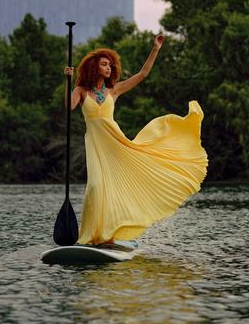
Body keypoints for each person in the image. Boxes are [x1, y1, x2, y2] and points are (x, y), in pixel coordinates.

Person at [64, 34, 207, 246]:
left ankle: (107, 236)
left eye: (110, 65)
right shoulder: (81, 91)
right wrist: (67, 81)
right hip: (95, 144)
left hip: (116, 143)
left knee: (112, 188)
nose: (109, 68)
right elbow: (69, 107)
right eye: (104, 64)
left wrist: (155, 49)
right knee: (95, 187)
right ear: (94, 67)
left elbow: (143, 74)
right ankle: (90, 236)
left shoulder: (114, 90)